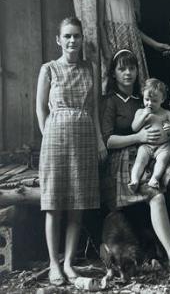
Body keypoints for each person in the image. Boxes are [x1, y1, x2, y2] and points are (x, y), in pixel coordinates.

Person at [100, 49, 170, 277]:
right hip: (126, 157)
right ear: (114, 73)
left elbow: (169, 124)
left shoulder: (146, 97)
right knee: (156, 194)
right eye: (122, 69)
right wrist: (139, 138)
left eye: (132, 68)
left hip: (154, 153)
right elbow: (108, 141)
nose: (128, 73)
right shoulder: (110, 102)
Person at [36, 17, 107, 286]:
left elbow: (96, 110)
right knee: (54, 204)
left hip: (84, 137)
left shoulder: (90, 67)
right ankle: (54, 263)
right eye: (67, 36)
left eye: (76, 36)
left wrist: (99, 140)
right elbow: (40, 108)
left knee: (77, 204)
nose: (72, 41)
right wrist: (48, 136)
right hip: (55, 138)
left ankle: (68, 263)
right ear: (58, 40)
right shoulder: (49, 69)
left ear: (81, 39)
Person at [98, 0, 170, 92]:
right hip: (114, 46)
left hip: (132, 46)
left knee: (136, 89)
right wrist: (107, 54)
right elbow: (99, 24)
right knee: (114, 88)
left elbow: (133, 30)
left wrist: (155, 44)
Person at [129, 79, 170, 191]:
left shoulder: (166, 113)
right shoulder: (140, 112)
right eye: (147, 99)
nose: (149, 103)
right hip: (145, 145)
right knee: (140, 161)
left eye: (154, 101)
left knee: (162, 160)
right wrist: (143, 116)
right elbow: (134, 128)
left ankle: (154, 179)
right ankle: (134, 180)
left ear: (162, 99)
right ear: (143, 96)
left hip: (163, 146)